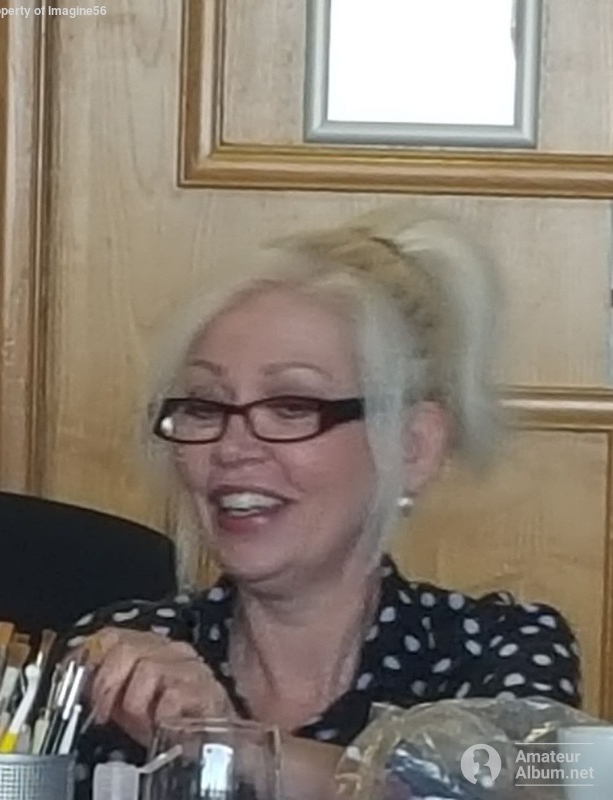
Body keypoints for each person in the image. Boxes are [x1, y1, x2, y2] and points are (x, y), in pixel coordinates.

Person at [66, 210, 581, 800]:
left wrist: (230, 748)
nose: (232, 447)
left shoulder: (499, 648)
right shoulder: (132, 653)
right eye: (206, 407)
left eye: (292, 407)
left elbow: (519, 788)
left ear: (412, 446)